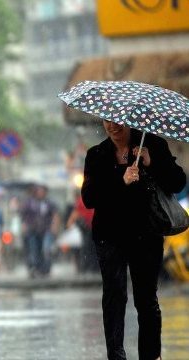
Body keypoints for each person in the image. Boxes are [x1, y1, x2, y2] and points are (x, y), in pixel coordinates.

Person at [82, 121, 185, 360]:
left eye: (117, 121)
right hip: (110, 236)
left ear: (129, 120)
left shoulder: (153, 145)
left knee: (146, 298)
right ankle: (116, 355)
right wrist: (121, 179)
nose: (112, 126)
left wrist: (152, 162)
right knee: (114, 297)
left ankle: (151, 355)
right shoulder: (96, 154)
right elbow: (89, 197)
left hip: (146, 234)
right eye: (107, 121)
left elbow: (178, 182)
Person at [20, 184, 59, 278]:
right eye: (38, 191)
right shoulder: (29, 203)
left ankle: (46, 269)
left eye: (42, 191)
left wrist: (54, 226)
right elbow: (23, 215)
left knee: (46, 249)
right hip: (32, 230)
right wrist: (24, 226)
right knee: (34, 250)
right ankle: (34, 268)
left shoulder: (49, 203)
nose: (40, 193)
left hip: (46, 230)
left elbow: (55, 214)